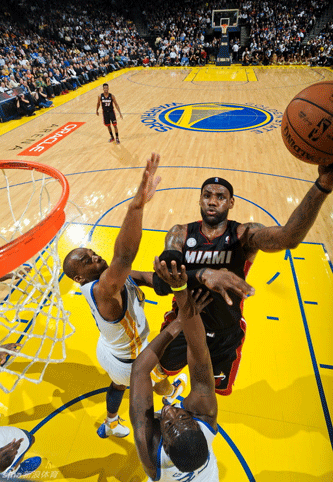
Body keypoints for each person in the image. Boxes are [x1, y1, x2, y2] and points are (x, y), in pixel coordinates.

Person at [153, 164, 333, 395]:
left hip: (224, 333)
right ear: (199, 200)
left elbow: (288, 238)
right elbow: (162, 283)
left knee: (207, 395)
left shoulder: (243, 234)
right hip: (182, 325)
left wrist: (322, 187)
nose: (212, 201)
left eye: (220, 197)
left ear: (231, 203)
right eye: (207, 196)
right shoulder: (179, 233)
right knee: (159, 378)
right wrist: (204, 274)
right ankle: (171, 393)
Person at [62, 154, 185, 439]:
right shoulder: (103, 288)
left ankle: (111, 422)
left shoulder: (111, 280)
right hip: (131, 360)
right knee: (157, 382)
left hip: (108, 351)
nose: (95, 256)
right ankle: (167, 398)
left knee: (117, 386)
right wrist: (136, 206)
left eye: (92, 252)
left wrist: (170, 281)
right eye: (86, 260)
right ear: (80, 277)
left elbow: (143, 277)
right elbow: (125, 256)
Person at [130, 259, 219, 480]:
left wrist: (178, 323)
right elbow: (199, 354)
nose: (170, 411)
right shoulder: (205, 417)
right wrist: (182, 295)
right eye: (182, 416)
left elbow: (140, 370)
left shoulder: (151, 455)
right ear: (200, 429)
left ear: (165, 449)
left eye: (168, 424)